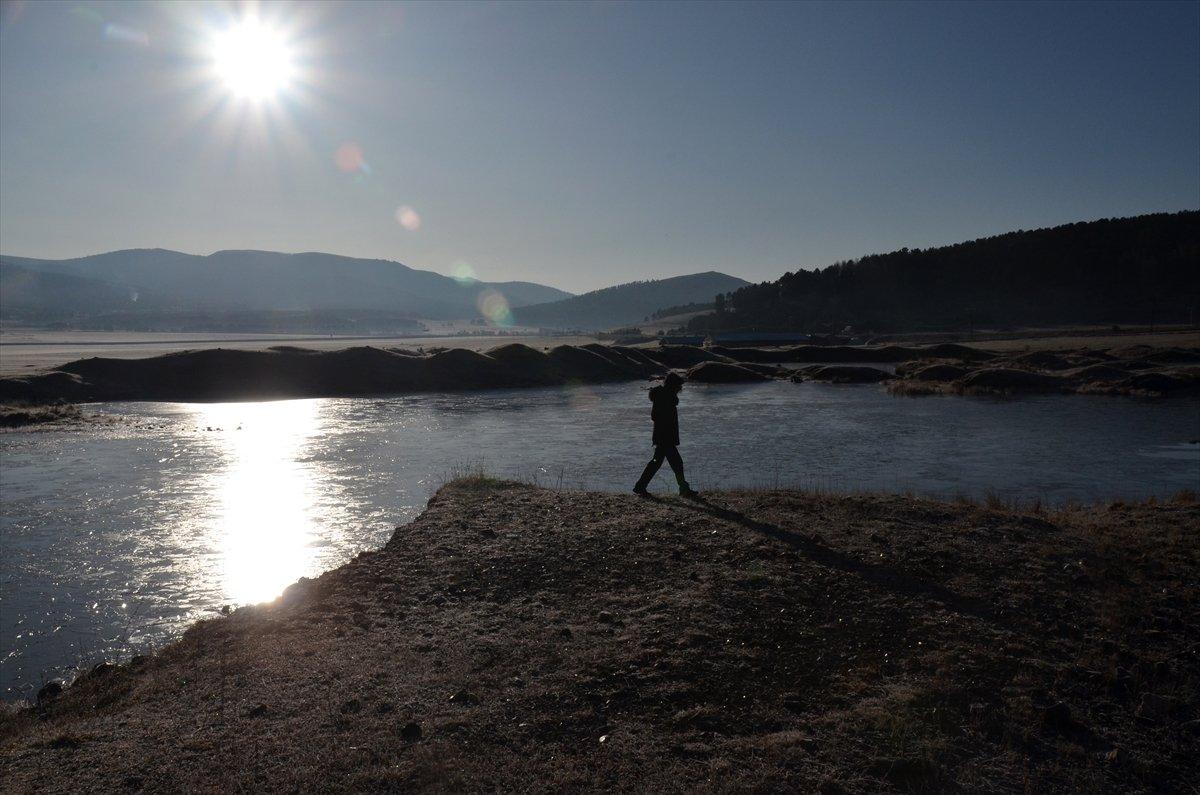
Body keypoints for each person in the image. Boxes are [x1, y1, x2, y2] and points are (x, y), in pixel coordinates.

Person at [633, 372, 698, 497]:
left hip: (663, 437)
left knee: (658, 462)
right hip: (665, 437)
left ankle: (640, 486)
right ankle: (683, 488)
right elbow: (655, 416)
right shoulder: (665, 397)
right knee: (675, 463)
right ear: (673, 385)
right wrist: (665, 430)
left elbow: (655, 416)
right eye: (679, 386)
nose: (681, 388)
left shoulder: (664, 396)